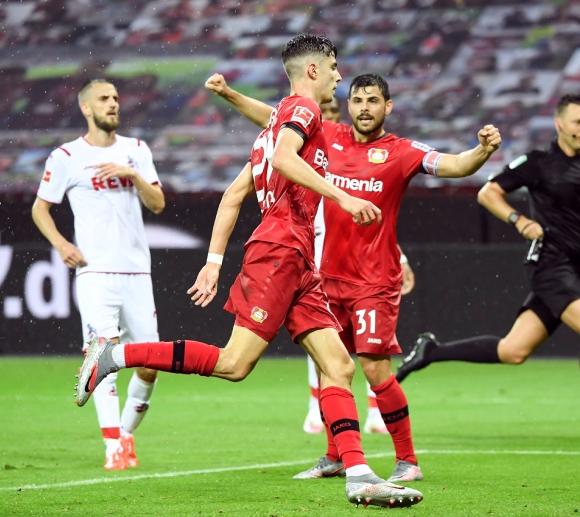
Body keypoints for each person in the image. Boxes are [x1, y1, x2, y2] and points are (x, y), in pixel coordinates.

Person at [74, 33, 423, 509]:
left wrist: (214, 262)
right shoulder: (303, 111)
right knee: (234, 364)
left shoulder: (280, 123)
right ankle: (116, 354)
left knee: (339, 366)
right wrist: (343, 196)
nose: (341, 76)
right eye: (336, 67)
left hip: (296, 259)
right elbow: (282, 159)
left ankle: (359, 475)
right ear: (314, 71)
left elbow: (236, 193)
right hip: (279, 252)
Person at [204, 71, 501, 482]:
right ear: (349, 104)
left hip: (375, 281)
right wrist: (230, 94)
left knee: (375, 369)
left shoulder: (401, 152)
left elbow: (453, 165)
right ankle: (335, 455)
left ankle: (408, 461)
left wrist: (481, 151)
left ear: (388, 107)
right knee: (334, 367)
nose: (364, 108)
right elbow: (273, 121)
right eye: (358, 100)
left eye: (373, 101)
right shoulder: (328, 135)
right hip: (325, 278)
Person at [396, 93, 580, 446]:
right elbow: (488, 193)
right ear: (559, 124)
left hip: (571, 269)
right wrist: (518, 219)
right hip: (549, 264)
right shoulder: (538, 162)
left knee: (513, 351)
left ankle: (431, 351)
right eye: (578, 122)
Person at [32, 79, 165, 470]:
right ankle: (113, 448)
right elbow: (41, 209)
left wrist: (133, 175)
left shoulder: (136, 150)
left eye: (116, 98)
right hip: (95, 273)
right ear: (86, 108)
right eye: (104, 99)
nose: (113, 104)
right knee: (102, 356)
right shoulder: (66, 156)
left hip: (137, 272)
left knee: (151, 362)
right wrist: (60, 244)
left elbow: (157, 203)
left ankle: (125, 435)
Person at [302, 97, 415, 436]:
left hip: (365, 270)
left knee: (371, 357)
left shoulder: (375, 154)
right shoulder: (311, 156)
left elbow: (375, 215)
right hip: (320, 262)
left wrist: (402, 256)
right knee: (325, 352)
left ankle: (387, 428)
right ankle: (322, 424)